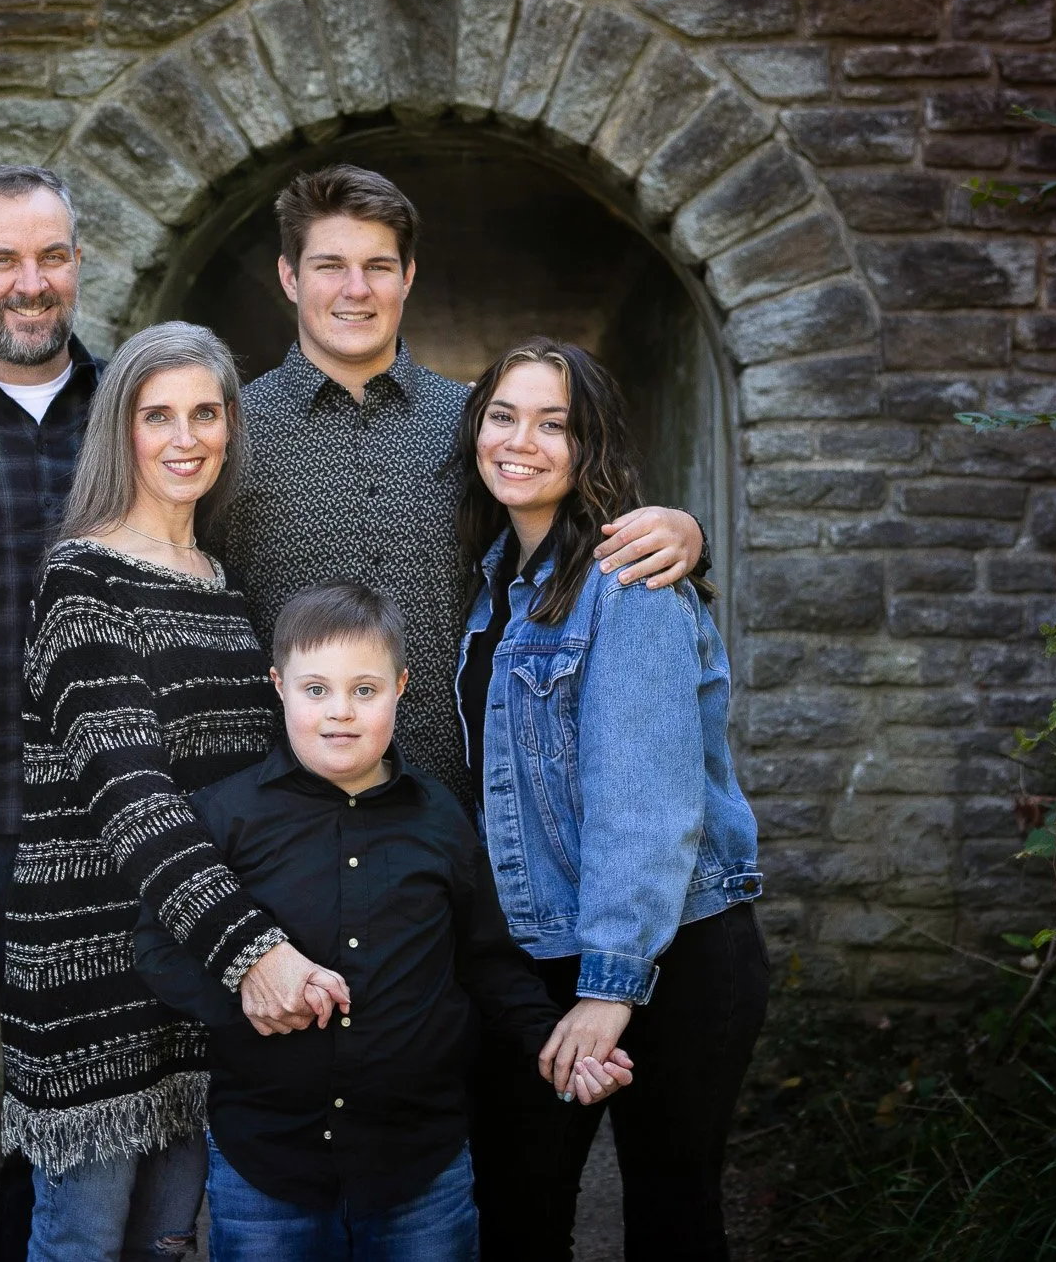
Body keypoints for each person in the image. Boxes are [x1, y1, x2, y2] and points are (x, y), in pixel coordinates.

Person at [0, 168, 335, 1262]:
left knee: (75, 1149)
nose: (28, 285)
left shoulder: (135, 411)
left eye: (49, 258)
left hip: (105, 858)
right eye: (2, 260)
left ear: (77, 264)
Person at [135, 582, 631, 1262]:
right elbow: (158, 944)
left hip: (418, 1163)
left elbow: (485, 957)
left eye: (364, 690)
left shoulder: (439, 818)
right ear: (279, 685)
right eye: (316, 689)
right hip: (268, 1163)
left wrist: (554, 1044)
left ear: (401, 686)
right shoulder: (226, 815)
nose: (339, 712)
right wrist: (243, 989)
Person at [2, 322, 355, 1262]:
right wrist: (258, 953)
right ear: (122, 430)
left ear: (232, 427)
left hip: (193, 980)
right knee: (85, 1244)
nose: (184, 435)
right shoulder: (84, 583)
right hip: (95, 976)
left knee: (165, 1243)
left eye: (205, 411)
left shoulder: (220, 584)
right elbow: (137, 803)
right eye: (158, 415)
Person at [220, 165, 708, 807]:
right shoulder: (229, 435)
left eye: (379, 266)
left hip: (458, 810)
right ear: (290, 276)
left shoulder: (480, 426)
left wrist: (686, 534)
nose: (356, 290)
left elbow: (578, 532)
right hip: (284, 808)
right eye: (329, 265)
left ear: (409, 277)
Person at [455, 338, 769, 1262]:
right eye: (504, 415)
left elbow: (647, 802)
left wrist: (609, 984)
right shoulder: (495, 589)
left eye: (555, 423)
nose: (522, 440)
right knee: (515, 1212)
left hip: (669, 954)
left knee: (670, 1222)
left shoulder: (625, 585)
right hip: (543, 948)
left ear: (591, 446)